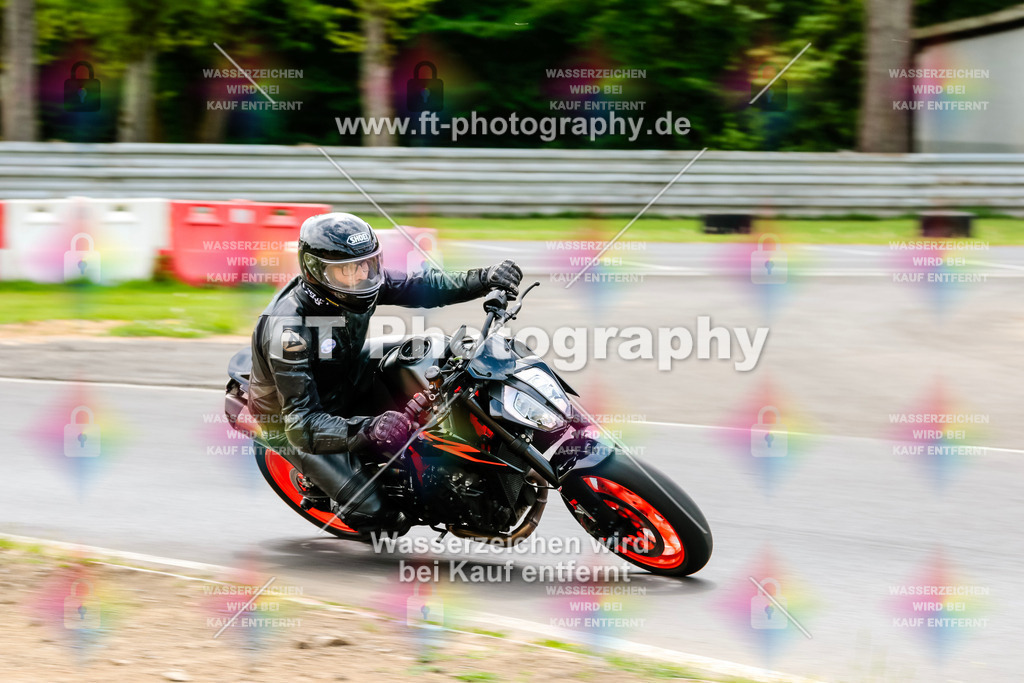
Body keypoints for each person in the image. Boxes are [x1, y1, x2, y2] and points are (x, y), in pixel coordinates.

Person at [248, 212, 522, 531]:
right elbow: (302, 425)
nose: (362, 276)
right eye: (348, 270)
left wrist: (486, 277)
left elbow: (423, 286)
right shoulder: (289, 331)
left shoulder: (361, 280)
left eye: (367, 264)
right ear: (315, 270)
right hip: (294, 421)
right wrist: (370, 429)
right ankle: (338, 494)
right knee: (382, 518)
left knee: (433, 352)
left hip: (345, 370)